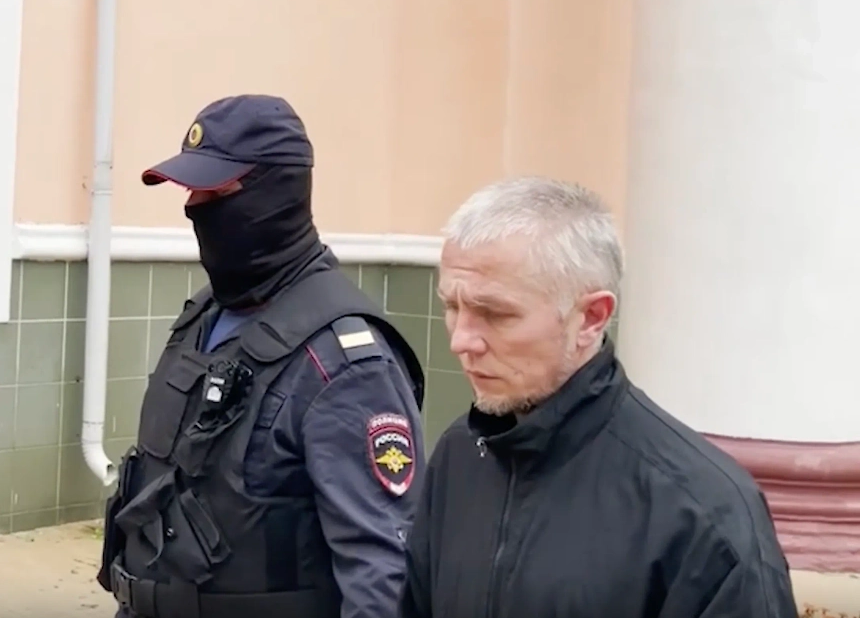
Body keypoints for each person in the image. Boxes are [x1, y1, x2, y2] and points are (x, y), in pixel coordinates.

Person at [400, 176, 799, 618]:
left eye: (494, 314)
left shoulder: (703, 514)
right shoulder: (460, 457)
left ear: (591, 318)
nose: (461, 340)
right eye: (452, 307)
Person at [96, 93, 427, 618]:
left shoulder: (345, 362)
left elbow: (383, 570)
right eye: (191, 191)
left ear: (278, 193)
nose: (195, 208)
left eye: (215, 192)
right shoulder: (206, 316)